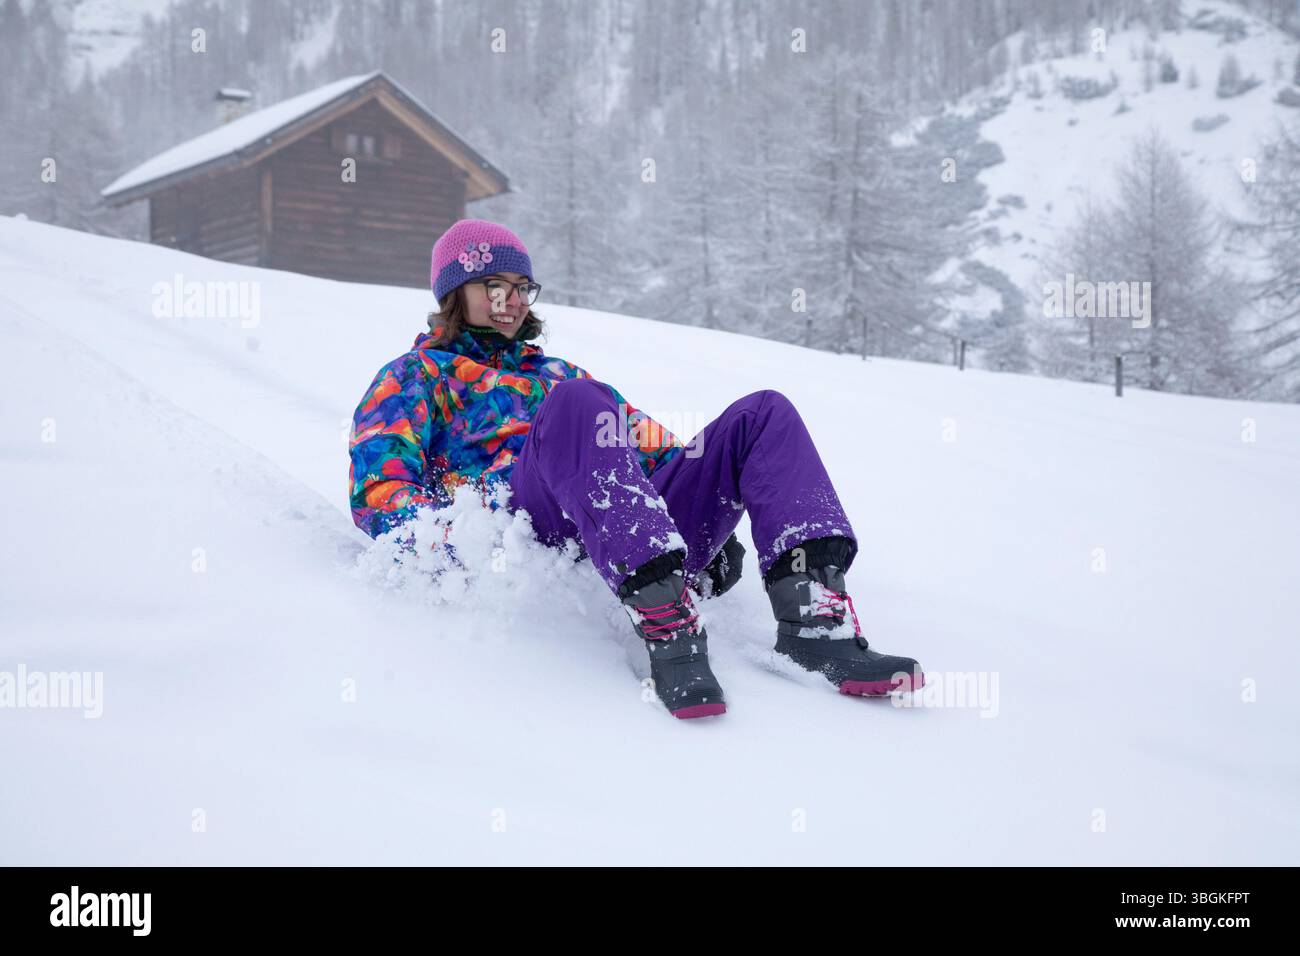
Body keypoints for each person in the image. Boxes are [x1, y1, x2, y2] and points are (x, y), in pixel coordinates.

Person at [348, 219, 924, 719]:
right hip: (525, 533)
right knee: (576, 403)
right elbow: (379, 495)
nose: (513, 300)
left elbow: (658, 454)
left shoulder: (559, 374)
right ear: (454, 292)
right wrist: (464, 543)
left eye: (522, 287)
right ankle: (669, 628)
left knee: (762, 415)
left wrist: (709, 519)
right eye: (493, 284)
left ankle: (814, 626)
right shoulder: (413, 377)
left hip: (624, 531)